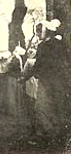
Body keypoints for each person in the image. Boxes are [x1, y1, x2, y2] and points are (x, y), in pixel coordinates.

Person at [21, 19, 71, 148]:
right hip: (59, 81)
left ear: (47, 31)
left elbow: (38, 65)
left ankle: (46, 136)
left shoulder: (45, 46)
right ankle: (57, 136)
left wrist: (25, 77)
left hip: (48, 81)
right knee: (57, 106)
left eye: (40, 31)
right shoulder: (60, 44)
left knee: (43, 107)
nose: (39, 34)